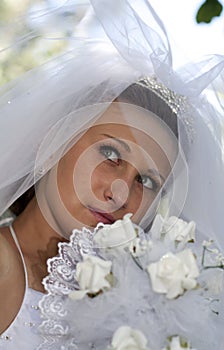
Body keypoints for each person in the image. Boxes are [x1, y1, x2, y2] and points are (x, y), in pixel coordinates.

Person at [0, 0, 224, 349]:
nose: (121, 194)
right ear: (54, 141)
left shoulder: (147, 312)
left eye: (147, 182)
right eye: (110, 153)